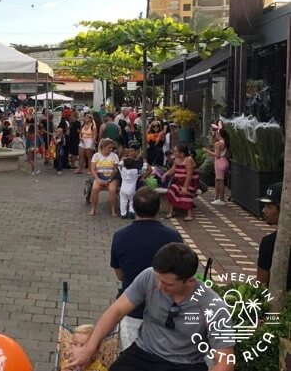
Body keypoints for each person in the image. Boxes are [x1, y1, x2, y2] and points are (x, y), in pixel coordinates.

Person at [69, 243, 233, 371]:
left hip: (185, 364)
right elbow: (116, 311)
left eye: (168, 284)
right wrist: (89, 348)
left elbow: (225, 362)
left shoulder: (214, 307)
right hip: (143, 353)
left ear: (190, 281)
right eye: (158, 279)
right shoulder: (149, 276)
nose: (160, 287)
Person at [110, 188, 183, 350]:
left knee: (131, 357)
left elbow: (119, 274)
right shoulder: (173, 237)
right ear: (158, 208)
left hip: (132, 308)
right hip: (165, 312)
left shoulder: (121, 236)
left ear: (134, 208)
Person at [256, 182, 290, 289]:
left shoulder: (269, 243)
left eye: (269, 206)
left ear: (284, 209)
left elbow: (260, 287)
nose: (264, 210)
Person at [164, 145, 199, 221]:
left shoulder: (188, 159)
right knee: (172, 189)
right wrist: (165, 174)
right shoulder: (176, 159)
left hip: (190, 182)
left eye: (176, 151)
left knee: (185, 192)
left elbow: (189, 174)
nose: (174, 153)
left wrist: (185, 187)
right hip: (178, 181)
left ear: (182, 153)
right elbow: (173, 169)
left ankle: (189, 214)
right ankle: (171, 211)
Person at [89, 139, 119, 217]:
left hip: (111, 178)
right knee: (95, 189)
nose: (111, 149)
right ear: (104, 147)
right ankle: (93, 209)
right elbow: (93, 169)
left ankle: (113, 210)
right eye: (109, 147)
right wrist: (98, 179)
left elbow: (115, 170)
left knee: (112, 190)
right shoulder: (96, 155)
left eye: (112, 148)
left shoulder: (114, 156)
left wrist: (109, 180)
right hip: (99, 176)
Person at [205, 127, 230, 205]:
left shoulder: (218, 143)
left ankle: (221, 199)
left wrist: (207, 151)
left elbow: (217, 155)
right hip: (225, 161)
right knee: (218, 180)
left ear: (219, 134)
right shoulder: (225, 142)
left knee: (220, 181)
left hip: (219, 162)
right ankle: (217, 197)